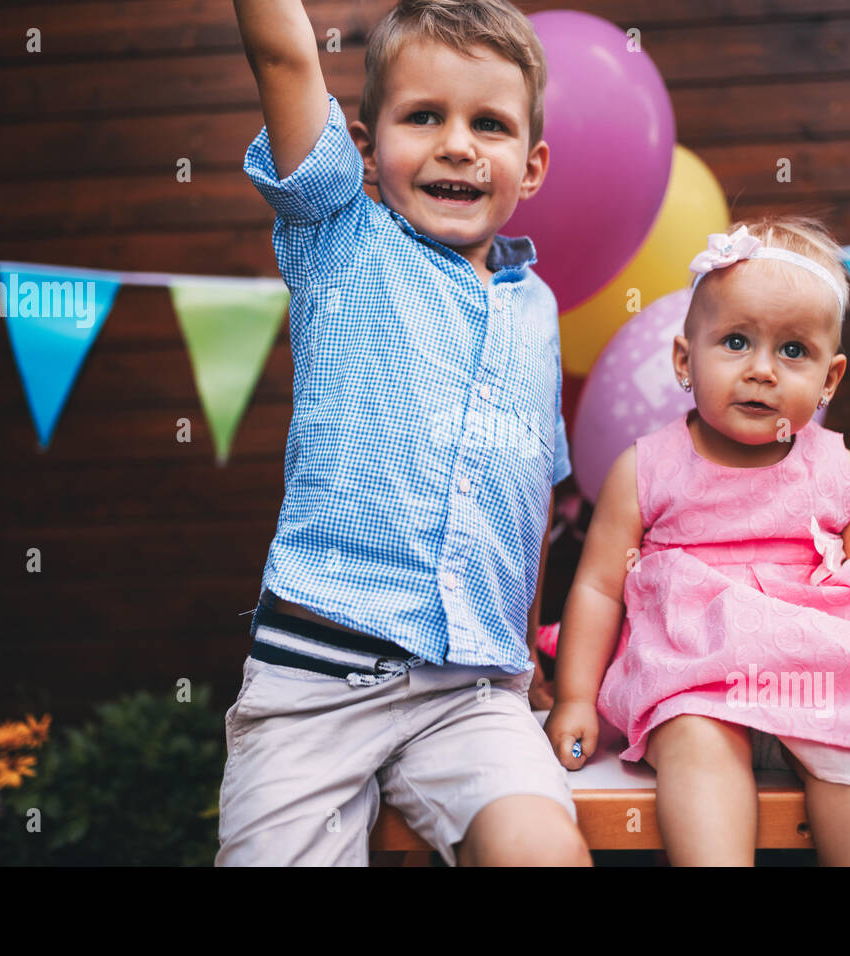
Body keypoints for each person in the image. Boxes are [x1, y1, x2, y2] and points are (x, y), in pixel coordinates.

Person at [216, 0, 591, 866]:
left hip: (471, 694)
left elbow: (528, 496)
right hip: (315, 680)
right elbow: (282, 56)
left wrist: (523, 661)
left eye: (488, 124)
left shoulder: (536, 310)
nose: (457, 144)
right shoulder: (340, 236)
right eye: (423, 116)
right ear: (362, 144)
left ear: (530, 166)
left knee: (546, 852)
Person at [544, 217, 850, 866]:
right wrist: (577, 699)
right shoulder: (647, 469)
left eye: (793, 352)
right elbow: (600, 585)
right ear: (685, 360)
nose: (762, 371)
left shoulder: (840, 475)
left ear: (830, 381)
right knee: (697, 747)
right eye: (737, 342)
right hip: (696, 683)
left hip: (828, 687)